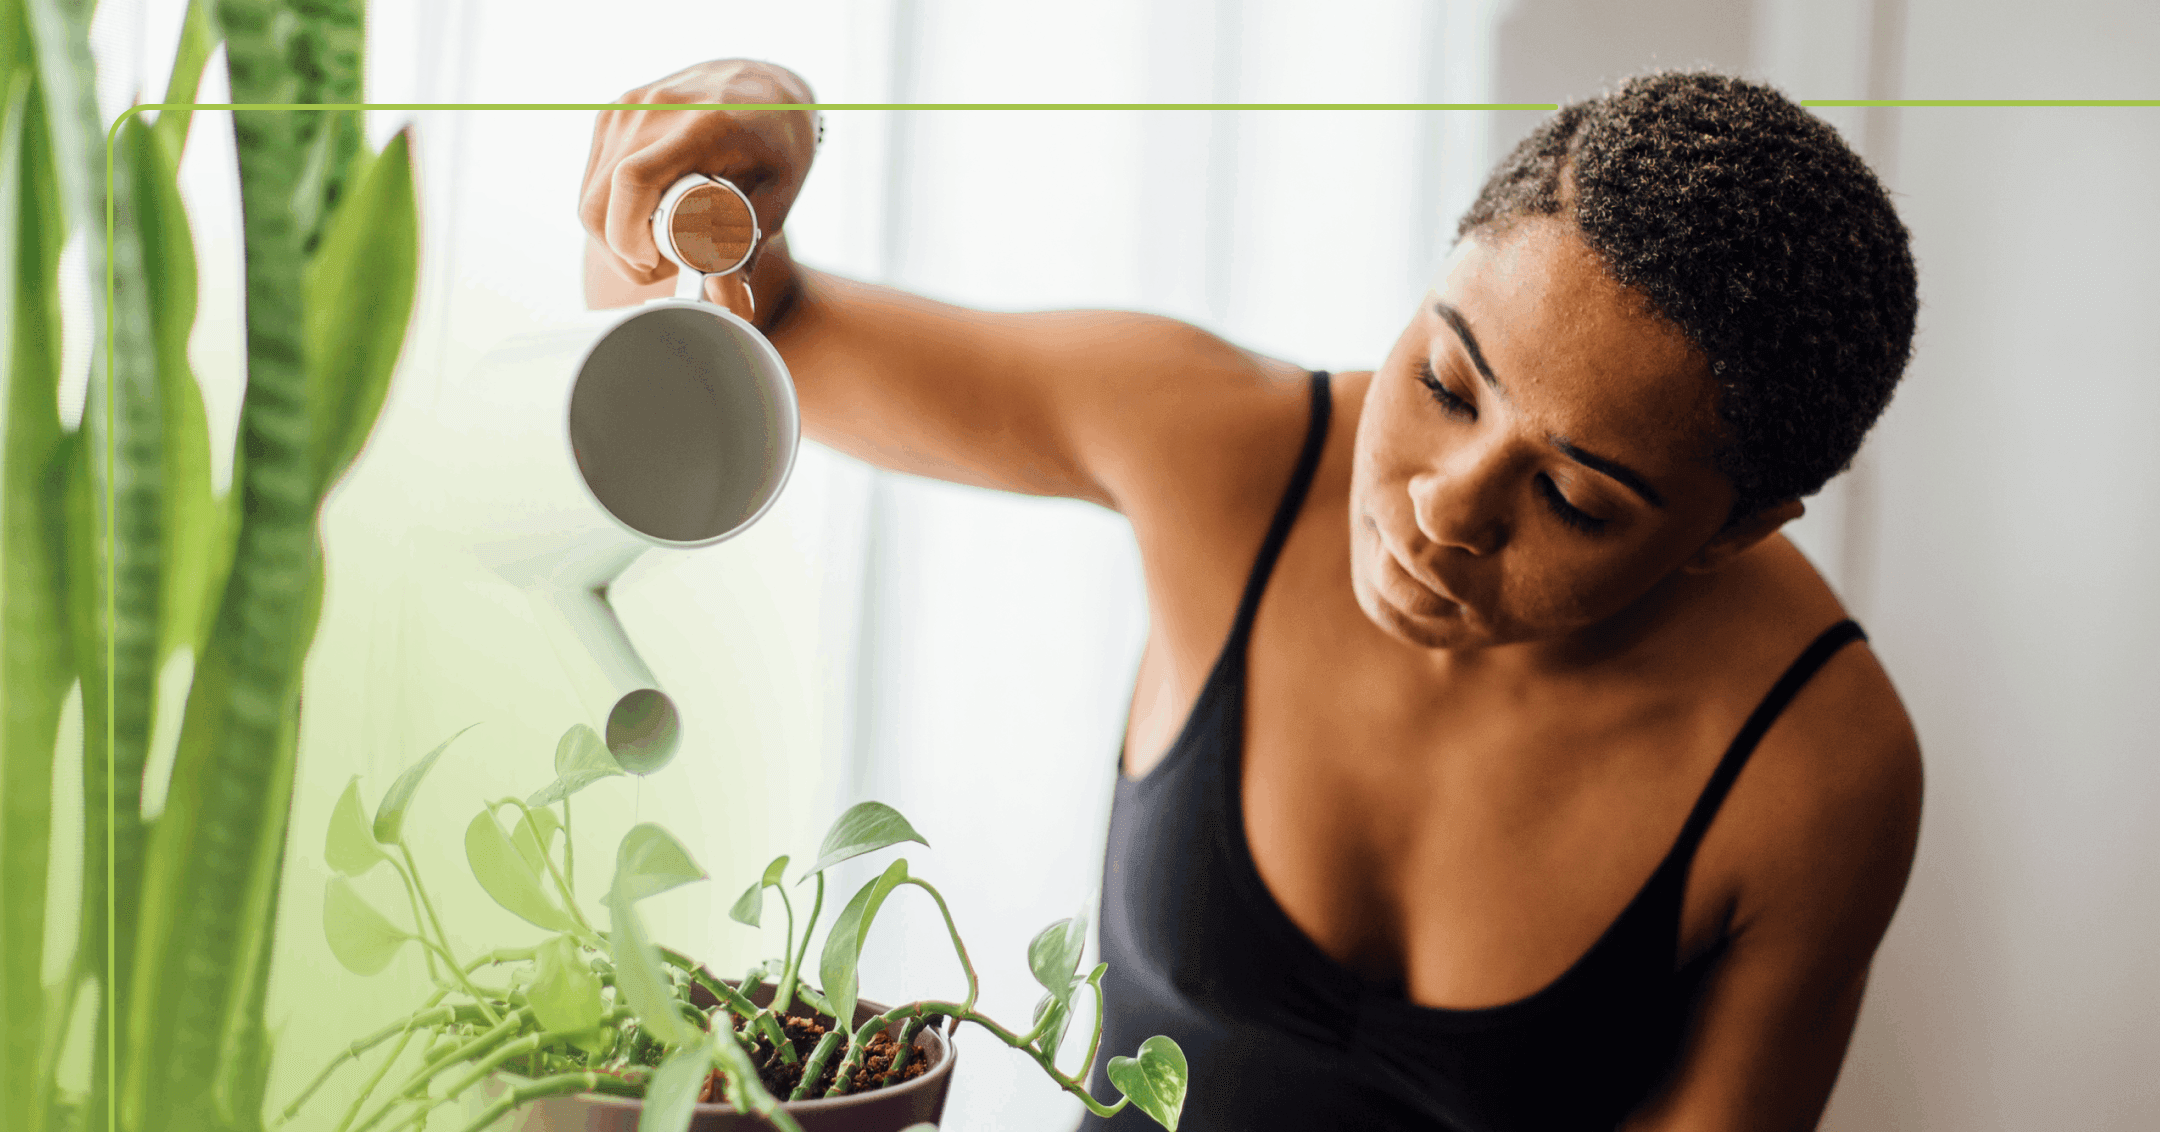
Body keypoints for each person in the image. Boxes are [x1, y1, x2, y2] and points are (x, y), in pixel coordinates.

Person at [580, 62, 1924, 1132]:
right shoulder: (1229, 455)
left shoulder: (1815, 770)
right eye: (1446, 383)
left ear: (1735, 531)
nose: (1446, 505)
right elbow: (738, 337)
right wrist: (721, 165)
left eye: (1575, 499)